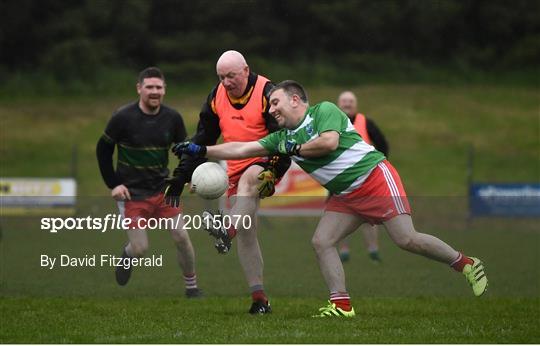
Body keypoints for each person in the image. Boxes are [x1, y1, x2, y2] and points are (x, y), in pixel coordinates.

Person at [173, 80, 489, 317]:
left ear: (295, 99)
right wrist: (202, 150)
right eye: (269, 106)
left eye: (276, 103)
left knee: (406, 239)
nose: (271, 111)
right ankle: (341, 304)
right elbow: (242, 149)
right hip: (347, 195)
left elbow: (327, 143)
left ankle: (467, 264)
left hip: (374, 178)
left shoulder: (324, 110)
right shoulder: (282, 137)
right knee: (322, 241)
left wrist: (293, 149)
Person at [165, 51, 290, 314]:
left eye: (231, 76)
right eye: (221, 77)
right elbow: (202, 141)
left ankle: (225, 230)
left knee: (247, 184)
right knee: (248, 231)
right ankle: (259, 299)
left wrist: (275, 167)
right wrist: (180, 177)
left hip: (267, 161)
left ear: (245, 70)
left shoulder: (268, 93)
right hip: (234, 167)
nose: (226, 82)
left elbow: (283, 138)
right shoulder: (216, 97)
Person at [96, 67, 201, 298]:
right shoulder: (122, 117)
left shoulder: (172, 118)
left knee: (182, 237)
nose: (154, 92)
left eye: (159, 87)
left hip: (162, 189)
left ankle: (192, 287)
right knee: (141, 249)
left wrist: (187, 177)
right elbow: (103, 150)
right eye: (150, 87)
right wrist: (113, 184)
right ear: (139, 88)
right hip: (131, 193)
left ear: (164, 90)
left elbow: (184, 152)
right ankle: (128, 253)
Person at [336, 91, 389, 263]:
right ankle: (343, 251)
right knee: (339, 214)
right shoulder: (331, 123)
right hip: (339, 179)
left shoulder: (366, 122)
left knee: (369, 217)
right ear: (338, 104)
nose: (347, 104)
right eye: (344, 101)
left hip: (365, 179)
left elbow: (382, 144)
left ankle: (373, 250)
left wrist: (377, 166)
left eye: (350, 101)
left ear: (356, 104)